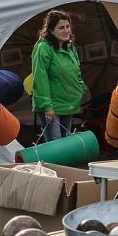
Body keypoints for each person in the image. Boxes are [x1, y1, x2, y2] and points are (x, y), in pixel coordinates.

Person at [31, 10, 86, 142]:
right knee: (56, 145)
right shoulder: (43, 48)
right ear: (50, 30)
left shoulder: (70, 47)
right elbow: (40, 78)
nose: (66, 31)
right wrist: (47, 106)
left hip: (68, 104)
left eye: (68, 27)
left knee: (66, 145)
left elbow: (76, 71)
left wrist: (80, 88)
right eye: (61, 27)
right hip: (51, 107)